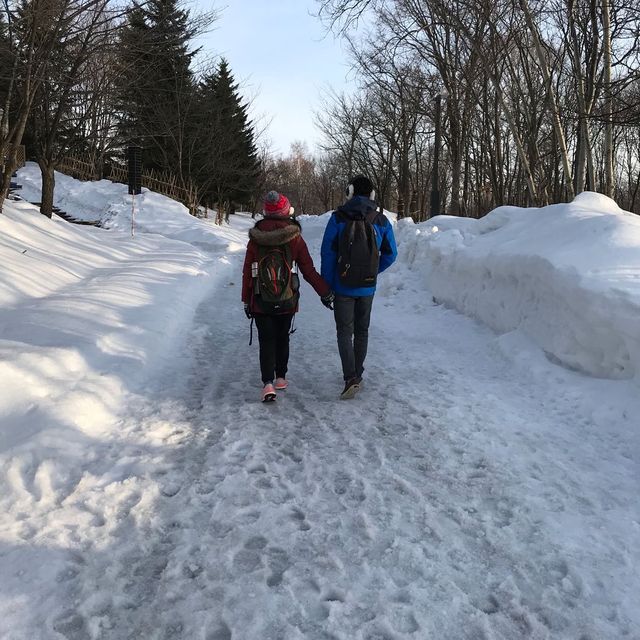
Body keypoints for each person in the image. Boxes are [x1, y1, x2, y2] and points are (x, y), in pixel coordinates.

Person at [242, 191, 334, 402]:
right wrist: (325, 292)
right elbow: (308, 270)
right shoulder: (295, 238)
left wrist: (246, 299)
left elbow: (248, 270)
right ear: (286, 211)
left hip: (260, 298)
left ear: (266, 212)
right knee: (282, 336)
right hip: (287, 297)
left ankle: (267, 384)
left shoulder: (256, 239)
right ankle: (281, 377)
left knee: (266, 340)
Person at [320, 175, 397, 399]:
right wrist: (372, 271)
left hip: (342, 285)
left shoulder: (338, 218)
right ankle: (358, 373)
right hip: (367, 287)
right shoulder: (381, 220)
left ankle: (350, 376)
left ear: (349, 192)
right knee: (362, 331)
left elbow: (328, 253)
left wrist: (328, 284)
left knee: (345, 332)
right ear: (372, 195)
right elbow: (391, 254)